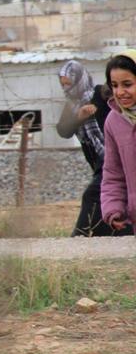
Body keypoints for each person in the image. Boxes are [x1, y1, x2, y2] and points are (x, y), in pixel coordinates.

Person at [58, 60, 129, 237]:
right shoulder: (71, 104)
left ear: (80, 79)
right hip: (99, 162)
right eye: (63, 85)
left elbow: (119, 113)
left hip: (114, 155)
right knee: (112, 197)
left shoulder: (101, 93)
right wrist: (79, 117)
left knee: (92, 195)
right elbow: (64, 130)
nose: (67, 88)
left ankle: (81, 236)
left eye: (69, 84)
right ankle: (119, 233)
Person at [99, 51, 136, 234]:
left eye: (127, 84)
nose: (120, 92)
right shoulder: (114, 121)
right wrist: (113, 209)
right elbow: (113, 173)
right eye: (114, 85)